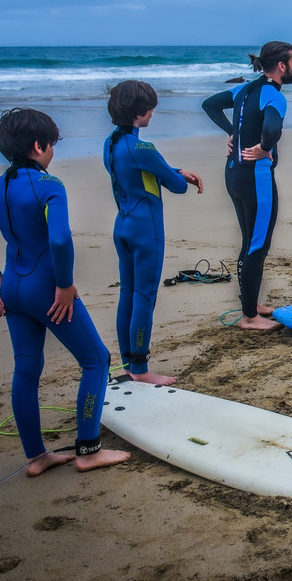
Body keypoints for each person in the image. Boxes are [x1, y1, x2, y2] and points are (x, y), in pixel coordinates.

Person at [0, 109, 130, 475]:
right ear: (38, 146)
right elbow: (60, 239)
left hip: (12, 290)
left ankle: (36, 457)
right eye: (52, 146)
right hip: (47, 290)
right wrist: (64, 285)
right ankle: (89, 451)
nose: (53, 153)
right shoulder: (49, 185)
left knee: (26, 368)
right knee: (96, 361)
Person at [104, 80, 203, 385]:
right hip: (146, 231)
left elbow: (143, 171)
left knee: (128, 295)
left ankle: (127, 363)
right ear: (140, 112)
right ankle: (141, 369)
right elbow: (175, 186)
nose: (152, 114)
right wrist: (176, 174)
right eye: (150, 109)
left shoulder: (112, 142)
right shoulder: (143, 147)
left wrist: (170, 170)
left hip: (123, 224)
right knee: (145, 298)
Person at [202, 40, 292, 330]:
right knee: (258, 245)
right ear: (281, 66)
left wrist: (236, 134)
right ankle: (249, 317)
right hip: (256, 179)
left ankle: (251, 304)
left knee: (249, 242)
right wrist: (266, 147)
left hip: (233, 175)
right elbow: (272, 128)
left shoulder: (244, 90)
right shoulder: (273, 94)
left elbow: (210, 105)